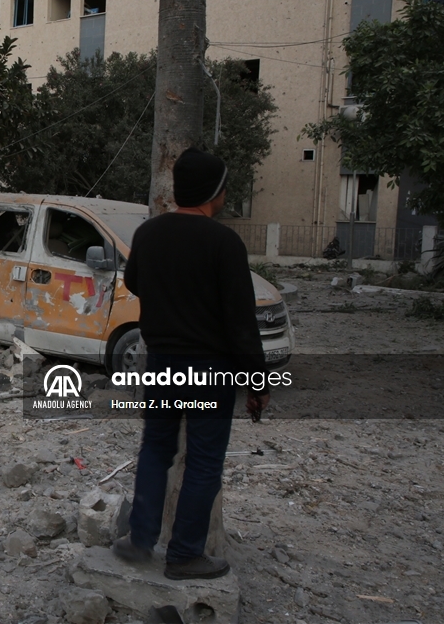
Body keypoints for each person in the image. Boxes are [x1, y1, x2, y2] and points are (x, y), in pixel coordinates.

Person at [112, 147, 270, 580]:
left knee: (156, 447)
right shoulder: (224, 243)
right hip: (209, 369)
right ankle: (183, 555)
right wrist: (257, 383)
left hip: (162, 361)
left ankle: (140, 540)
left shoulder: (148, 233)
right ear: (214, 192)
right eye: (224, 187)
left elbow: (135, 281)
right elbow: (241, 323)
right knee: (203, 460)